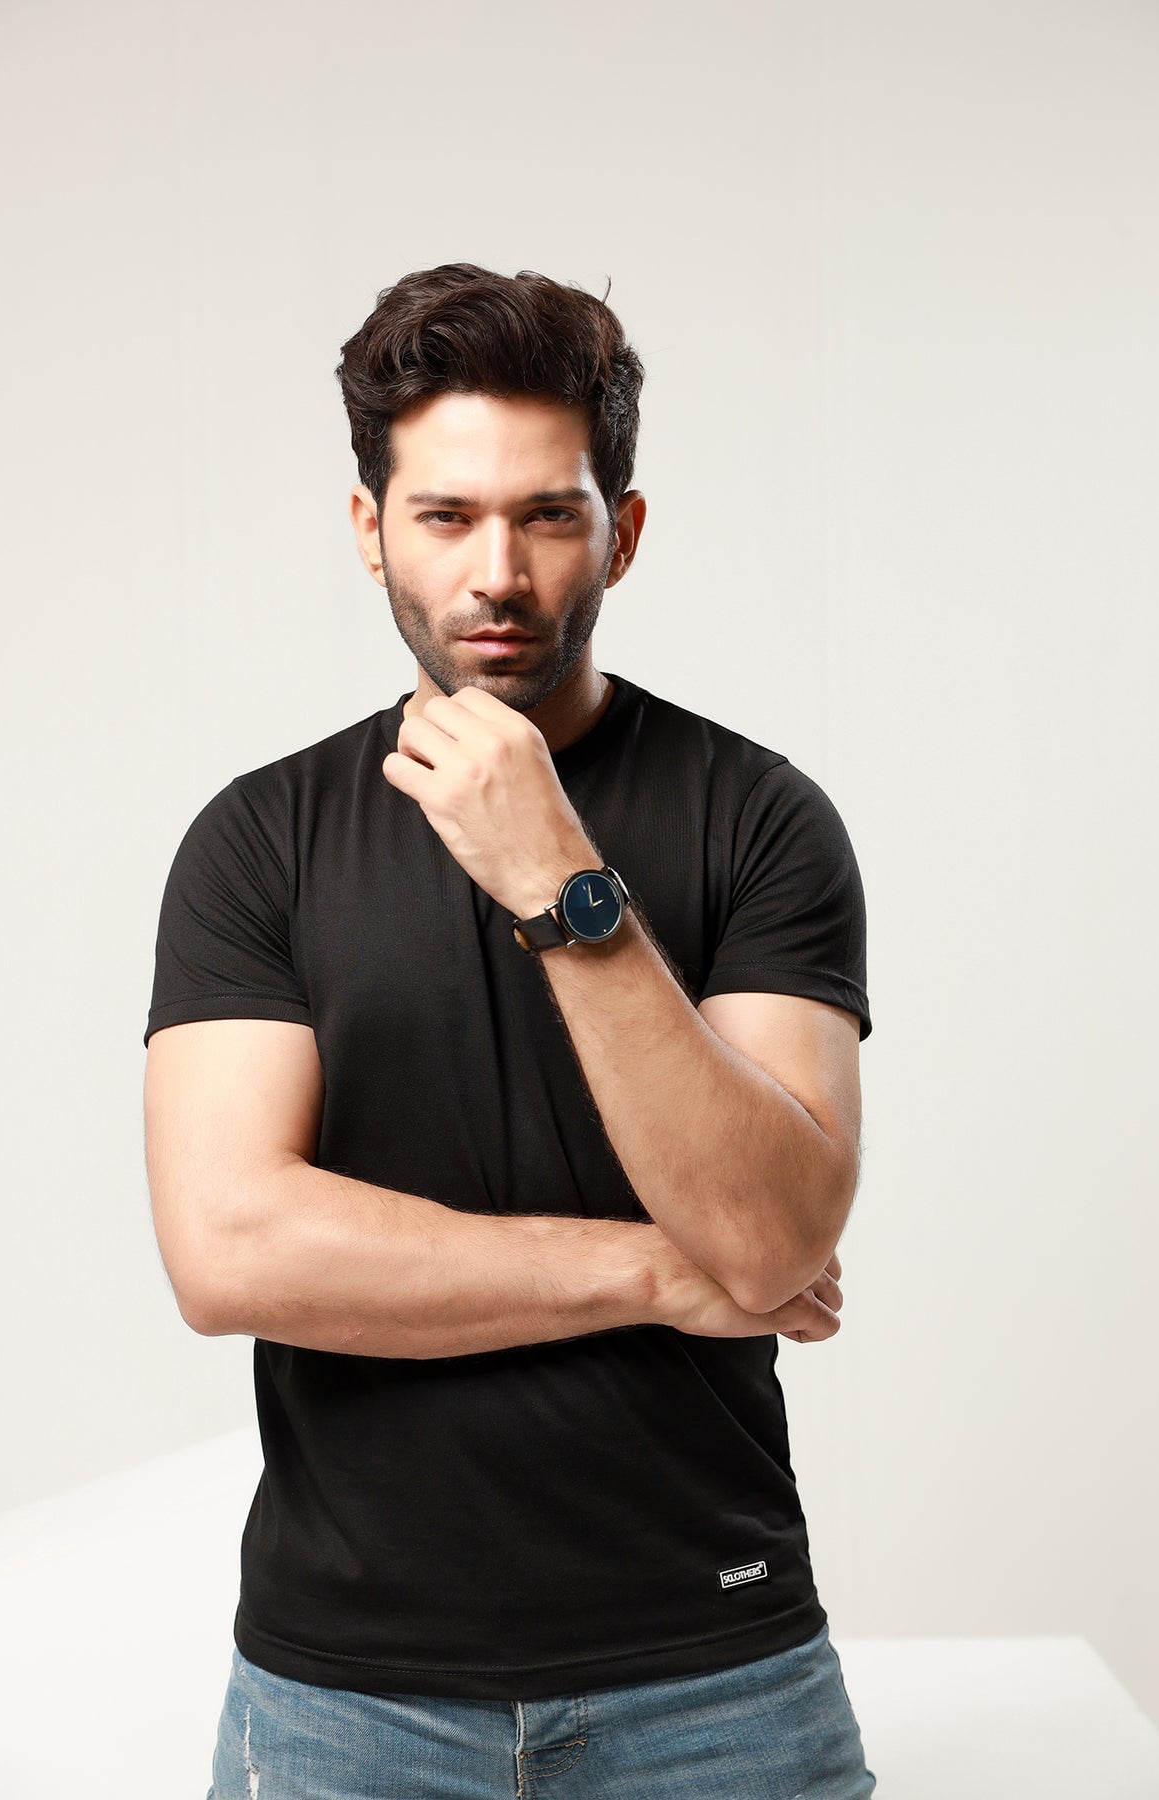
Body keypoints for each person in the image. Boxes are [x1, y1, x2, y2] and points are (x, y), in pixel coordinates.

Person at [143, 262, 877, 1798]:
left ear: (623, 531)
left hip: (718, 1684)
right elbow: (230, 1249)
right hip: (345, 1700)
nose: (497, 572)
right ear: (371, 530)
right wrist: (652, 1271)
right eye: (446, 516)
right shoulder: (260, 841)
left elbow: (770, 1232)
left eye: (548, 516)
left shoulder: (759, 817)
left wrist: (560, 880)